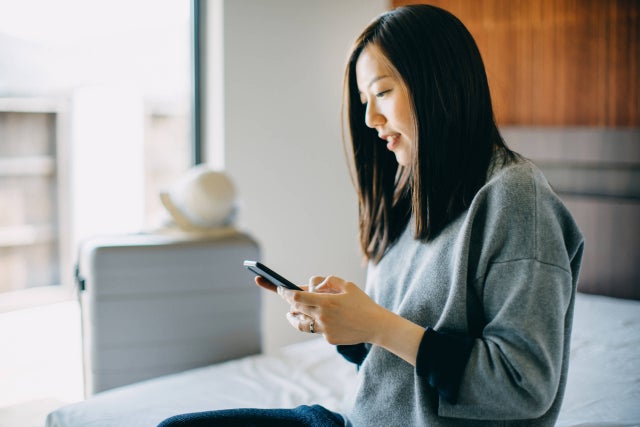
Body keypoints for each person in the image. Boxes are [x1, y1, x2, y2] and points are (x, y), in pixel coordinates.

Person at [158, 4, 584, 426]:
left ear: (438, 83)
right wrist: (347, 325)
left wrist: (378, 325)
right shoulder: (410, 196)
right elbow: (401, 364)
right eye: (364, 100)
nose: (369, 118)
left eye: (381, 92)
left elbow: (523, 386)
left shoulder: (515, 197)